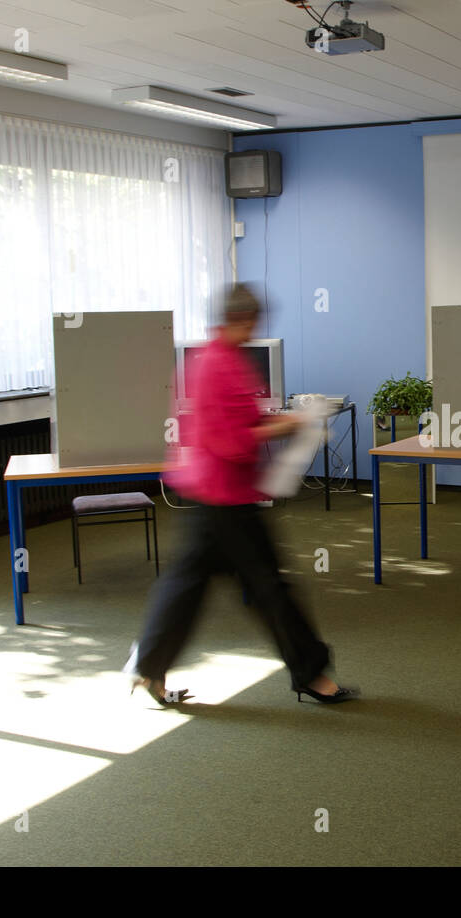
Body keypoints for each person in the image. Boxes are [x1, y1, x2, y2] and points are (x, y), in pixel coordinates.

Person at [124, 283, 357, 706]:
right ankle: (312, 675)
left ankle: (149, 669)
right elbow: (234, 441)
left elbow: (245, 419)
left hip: (209, 493)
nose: (255, 331)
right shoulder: (218, 365)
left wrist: (283, 420)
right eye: (253, 323)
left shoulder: (219, 358)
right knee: (269, 588)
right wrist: (295, 422)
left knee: (187, 586)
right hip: (223, 497)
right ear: (244, 319)